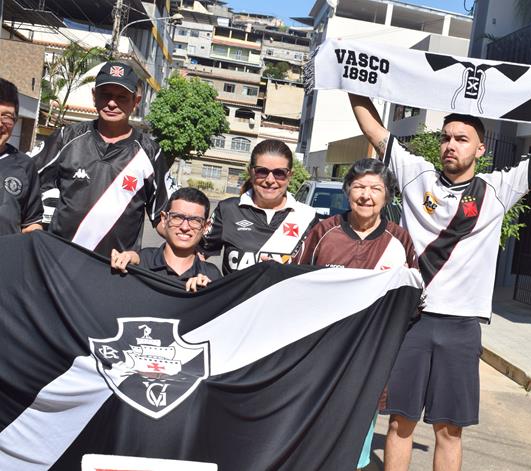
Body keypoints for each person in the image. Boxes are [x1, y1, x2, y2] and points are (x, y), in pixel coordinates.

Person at [349, 93, 531, 471]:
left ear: (480, 149)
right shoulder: (416, 174)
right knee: (400, 422)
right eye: (446, 137)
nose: (451, 145)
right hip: (412, 321)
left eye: (461, 139)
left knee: (450, 430)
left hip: (462, 327)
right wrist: (350, 80)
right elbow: (373, 129)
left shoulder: (498, 189)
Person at [295, 158, 418, 470]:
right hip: (322, 354)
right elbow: (294, 285)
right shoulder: (323, 232)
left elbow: (413, 300)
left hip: (371, 357)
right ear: (347, 191)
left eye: (375, 188)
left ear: (387, 196)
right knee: (313, 433)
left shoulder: (400, 240)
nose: (366, 195)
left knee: (357, 440)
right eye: (359, 187)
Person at [32, 61, 173, 257]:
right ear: (94, 96)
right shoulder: (66, 138)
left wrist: (193, 250)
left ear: (136, 102)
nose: (112, 103)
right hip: (58, 261)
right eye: (106, 95)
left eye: (122, 97)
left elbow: (164, 219)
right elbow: (26, 183)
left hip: (114, 270)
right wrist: (32, 227)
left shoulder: (151, 152)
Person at [201, 139, 317, 274]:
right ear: (251, 173)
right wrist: (203, 275)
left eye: (279, 173)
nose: (270, 180)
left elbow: (317, 270)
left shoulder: (308, 217)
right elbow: (196, 255)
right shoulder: (228, 210)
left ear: (290, 175)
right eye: (262, 171)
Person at [110, 187, 220, 292]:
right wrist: (120, 263)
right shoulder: (140, 262)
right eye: (177, 217)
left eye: (195, 220)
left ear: (206, 227)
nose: (185, 227)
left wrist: (206, 292)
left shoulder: (212, 276)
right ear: (164, 219)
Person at [0, 78, 42, 235]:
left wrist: (35, 236)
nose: (0, 124)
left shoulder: (25, 166)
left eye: (6, 116)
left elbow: (31, 224)